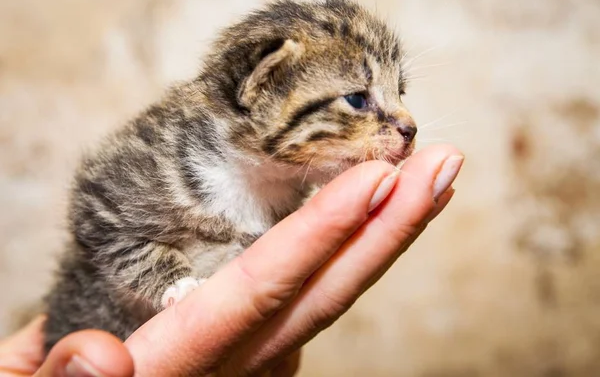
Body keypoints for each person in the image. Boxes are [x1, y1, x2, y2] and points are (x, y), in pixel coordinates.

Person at [0, 144, 463, 377]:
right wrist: (168, 277)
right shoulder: (170, 159)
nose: (405, 123)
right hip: (99, 320)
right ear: (261, 90)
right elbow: (94, 204)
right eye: (357, 100)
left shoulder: (285, 195)